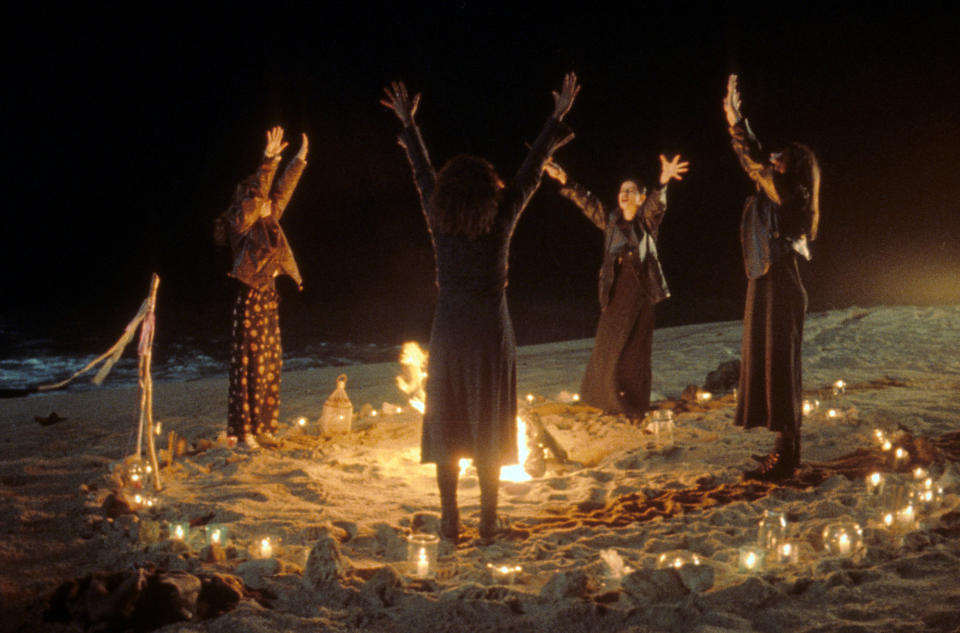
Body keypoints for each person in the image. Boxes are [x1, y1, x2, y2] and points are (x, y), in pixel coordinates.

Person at [382, 74, 579, 539]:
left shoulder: (437, 213)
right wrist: (556, 118)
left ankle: (452, 521)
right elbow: (531, 170)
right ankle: (488, 522)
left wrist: (410, 126)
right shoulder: (504, 213)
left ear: (449, 191)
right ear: (490, 187)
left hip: (449, 331)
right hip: (491, 331)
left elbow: (421, 173)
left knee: (447, 424)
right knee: (491, 424)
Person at [723, 74, 820, 481]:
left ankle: (786, 455)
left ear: (793, 168)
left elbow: (756, 162)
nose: (773, 159)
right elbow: (757, 158)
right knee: (770, 369)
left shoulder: (792, 194)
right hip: (768, 281)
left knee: (782, 371)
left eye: (781, 158)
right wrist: (735, 118)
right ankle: (784, 451)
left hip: (781, 284)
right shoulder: (778, 189)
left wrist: (737, 125)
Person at [543, 154, 688, 419]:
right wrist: (564, 179)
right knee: (607, 347)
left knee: (634, 352)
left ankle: (633, 405)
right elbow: (588, 202)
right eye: (622, 190)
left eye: (631, 191)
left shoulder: (646, 220)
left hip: (641, 291)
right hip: (615, 292)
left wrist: (663, 181)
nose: (624, 194)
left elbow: (657, 205)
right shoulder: (610, 222)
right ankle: (609, 402)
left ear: (640, 198)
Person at [216, 126, 308, 449]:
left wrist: (297, 161)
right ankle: (246, 433)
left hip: (268, 296)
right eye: (256, 196)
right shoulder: (239, 223)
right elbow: (256, 199)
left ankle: (265, 428)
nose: (265, 201)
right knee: (249, 367)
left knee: (270, 363)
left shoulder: (267, 217)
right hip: (250, 297)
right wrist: (267, 161)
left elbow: (281, 193)